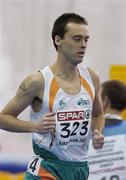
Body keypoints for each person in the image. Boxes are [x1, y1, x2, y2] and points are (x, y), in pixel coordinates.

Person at [0, 13, 105, 180]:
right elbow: (2, 118)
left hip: (80, 168)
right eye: (77, 39)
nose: (83, 45)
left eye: (86, 40)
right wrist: (34, 126)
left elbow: (98, 114)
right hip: (47, 168)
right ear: (58, 40)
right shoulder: (37, 81)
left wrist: (97, 132)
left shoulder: (92, 77)